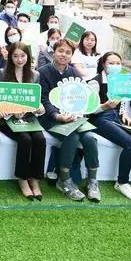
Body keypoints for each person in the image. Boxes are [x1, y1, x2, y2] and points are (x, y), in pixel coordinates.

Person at [38, 39, 101, 202]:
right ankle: (64, 179)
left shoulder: (74, 73)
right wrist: (57, 116)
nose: (63, 55)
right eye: (60, 51)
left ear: (72, 56)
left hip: (73, 118)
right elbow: (44, 99)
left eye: (68, 52)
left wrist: (80, 112)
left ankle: (92, 181)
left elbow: (82, 97)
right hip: (51, 118)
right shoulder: (43, 72)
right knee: (71, 137)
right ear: (54, 51)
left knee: (90, 139)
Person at [89, 52, 131, 201]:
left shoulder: (120, 81)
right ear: (103, 64)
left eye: (118, 63)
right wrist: (105, 106)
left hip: (117, 118)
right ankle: (122, 182)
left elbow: (122, 103)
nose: (115, 66)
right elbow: (89, 109)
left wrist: (124, 115)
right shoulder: (95, 82)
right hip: (99, 119)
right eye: (111, 63)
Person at [0, 42, 46, 200]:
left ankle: (35, 180)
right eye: (15, 56)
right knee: (24, 139)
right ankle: (23, 179)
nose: (19, 59)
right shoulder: (2, 74)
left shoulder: (35, 75)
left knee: (40, 139)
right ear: (10, 57)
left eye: (23, 56)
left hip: (28, 117)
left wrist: (39, 108)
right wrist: (12, 112)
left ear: (28, 56)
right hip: (7, 119)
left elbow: (36, 100)